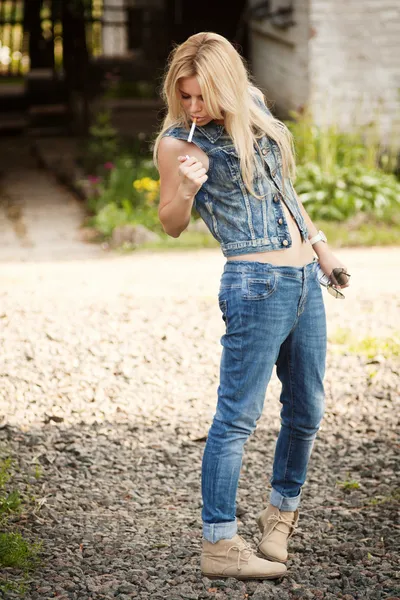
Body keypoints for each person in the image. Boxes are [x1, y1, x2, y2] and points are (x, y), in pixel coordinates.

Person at [153, 31, 350, 581]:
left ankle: (279, 516)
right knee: (237, 417)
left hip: (306, 278)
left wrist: (323, 251)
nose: (194, 107)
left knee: (307, 409)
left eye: (203, 95)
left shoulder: (255, 108)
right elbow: (169, 223)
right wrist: (188, 191)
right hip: (255, 281)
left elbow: (286, 191)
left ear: (229, 85)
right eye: (185, 96)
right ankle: (219, 543)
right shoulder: (179, 143)